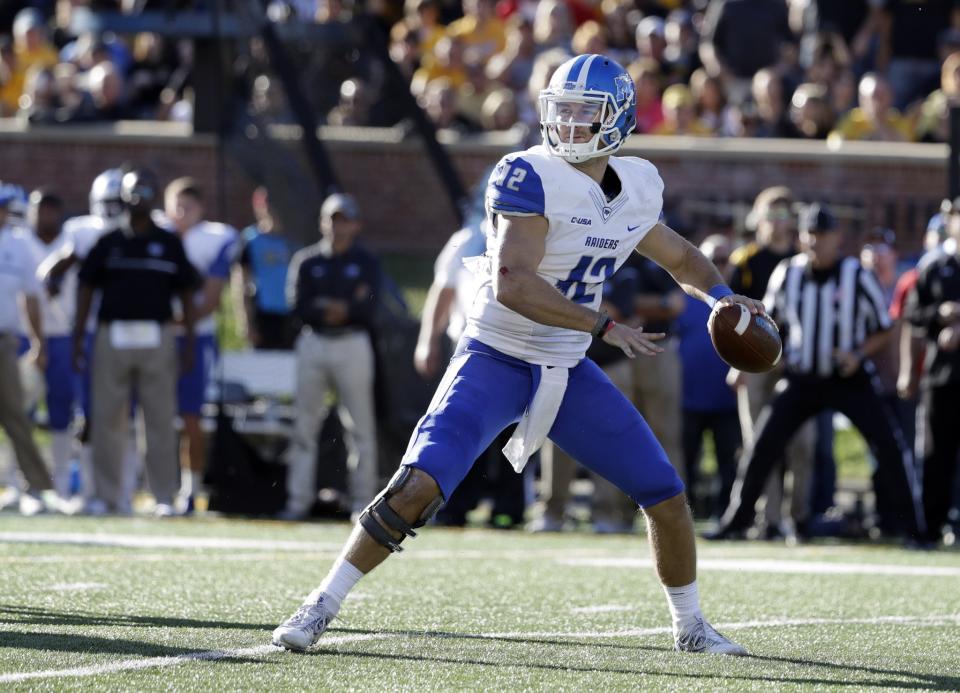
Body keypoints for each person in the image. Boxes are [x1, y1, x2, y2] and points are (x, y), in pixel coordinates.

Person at [273, 54, 754, 656]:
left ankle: (690, 627)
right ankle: (322, 601)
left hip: (565, 365)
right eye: (564, 111)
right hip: (495, 355)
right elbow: (513, 282)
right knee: (418, 485)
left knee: (667, 495)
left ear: (618, 119)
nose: (570, 125)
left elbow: (682, 260)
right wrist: (602, 325)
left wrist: (723, 297)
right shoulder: (528, 174)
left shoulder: (635, 186)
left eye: (585, 114)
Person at [709, 204, 925, 543]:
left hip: (847, 377)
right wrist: (742, 365)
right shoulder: (787, 273)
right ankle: (736, 521)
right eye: (810, 234)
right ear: (801, 237)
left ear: (837, 238)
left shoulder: (856, 274)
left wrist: (857, 354)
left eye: (822, 234)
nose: (815, 241)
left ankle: (914, 529)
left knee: (889, 446)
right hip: (801, 377)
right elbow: (767, 328)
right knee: (762, 445)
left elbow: (884, 328)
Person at [74, 168, 200, 516]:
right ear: (124, 196)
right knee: (107, 418)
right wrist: (77, 339)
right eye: (134, 190)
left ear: (155, 195)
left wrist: (188, 341)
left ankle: (163, 496)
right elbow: (86, 289)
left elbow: (187, 294)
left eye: (146, 190)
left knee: (159, 419)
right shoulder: (108, 241)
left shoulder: (170, 242)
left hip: (156, 335)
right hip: (111, 335)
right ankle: (108, 495)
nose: (140, 197)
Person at [279, 193, 382, 521]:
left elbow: (368, 306)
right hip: (315, 342)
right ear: (323, 223)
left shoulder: (366, 261)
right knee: (305, 424)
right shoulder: (307, 261)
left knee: (360, 426)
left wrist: (339, 308)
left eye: (344, 220)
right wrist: (336, 307)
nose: (338, 227)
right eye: (332, 220)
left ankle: (362, 502)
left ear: (356, 224)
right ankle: (298, 501)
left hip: (352, 343)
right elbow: (298, 305)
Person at [728, 186, 814, 540]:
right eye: (771, 216)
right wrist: (736, 362)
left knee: (803, 443)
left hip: (794, 363)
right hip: (753, 361)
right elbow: (727, 317)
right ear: (758, 219)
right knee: (757, 443)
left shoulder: (803, 260)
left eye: (784, 216)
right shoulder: (745, 260)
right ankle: (769, 518)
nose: (778, 225)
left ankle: (800, 517)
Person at [163, 177, 237, 513]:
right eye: (176, 204)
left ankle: (190, 489)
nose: (181, 212)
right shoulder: (155, 234)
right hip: (158, 338)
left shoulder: (214, 238)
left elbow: (208, 301)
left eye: (188, 206)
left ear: (201, 209)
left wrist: (169, 320)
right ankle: (158, 485)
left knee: (191, 415)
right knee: (151, 415)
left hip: (196, 336)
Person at [906, 196, 960, 546]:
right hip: (942, 376)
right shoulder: (935, 265)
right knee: (935, 455)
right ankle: (930, 525)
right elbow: (912, 315)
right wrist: (939, 314)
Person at [675, 234, 741, 519]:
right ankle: (685, 516)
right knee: (686, 461)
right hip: (688, 397)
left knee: (729, 462)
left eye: (725, 260)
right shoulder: (683, 300)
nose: (719, 265)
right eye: (712, 260)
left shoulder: (740, 301)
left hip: (726, 399)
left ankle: (725, 514)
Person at [0, 186, 53, 513]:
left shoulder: (19, 246)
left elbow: (30, 298)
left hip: (4, 341)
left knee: (15, 415)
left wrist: (38, 341)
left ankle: (35, 488)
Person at [22, 189, 75, 501]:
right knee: (21, 413)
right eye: (41, 209)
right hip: (24, 338)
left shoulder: (70, 240)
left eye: (53, 209)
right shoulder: (18, 242)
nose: (47, 216)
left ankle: (62, 486)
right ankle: (24, 485)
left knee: (62, 412)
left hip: (62, 337)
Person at [233, 187, 298, 350]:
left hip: (292, 318)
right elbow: (240, 283)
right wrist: (246, 322)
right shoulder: (250, 239)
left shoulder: (293, 241)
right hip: (263, 316)